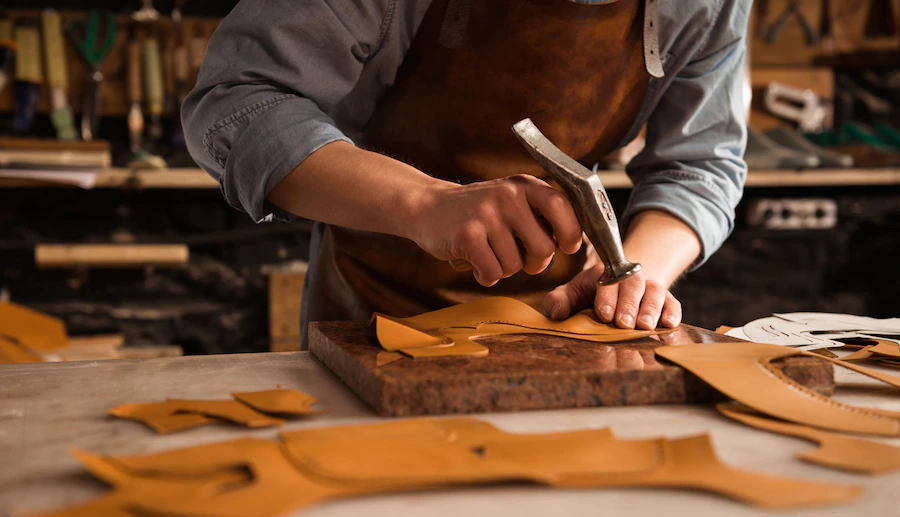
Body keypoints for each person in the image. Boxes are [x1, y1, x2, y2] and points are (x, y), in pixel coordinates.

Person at [183, 0, 750, 347]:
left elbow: (700, 161)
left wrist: (638, 272)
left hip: (571, 326)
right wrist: (424, 203)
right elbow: (236, 101)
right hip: (375, 313)